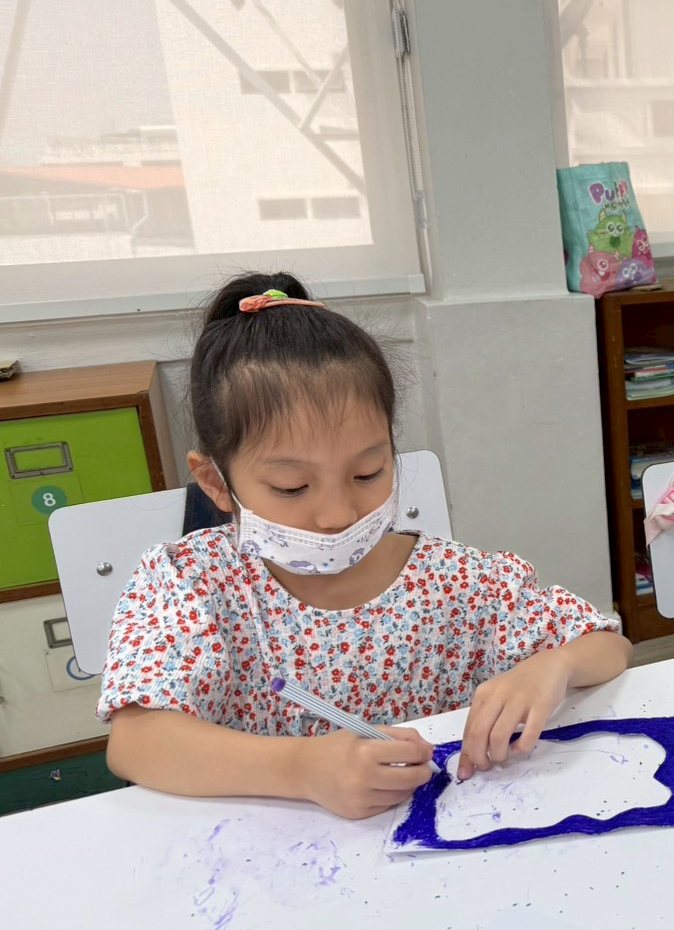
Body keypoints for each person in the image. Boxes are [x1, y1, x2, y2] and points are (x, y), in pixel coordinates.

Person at [100, 273, 630, 819]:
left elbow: (607, 645)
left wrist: (554, 667)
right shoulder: (191, 584)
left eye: (368, 473)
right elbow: (136, 741)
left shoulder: (454, 580)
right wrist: (301, 769)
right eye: (292, 487)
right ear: (216, 482)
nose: (338, 514)